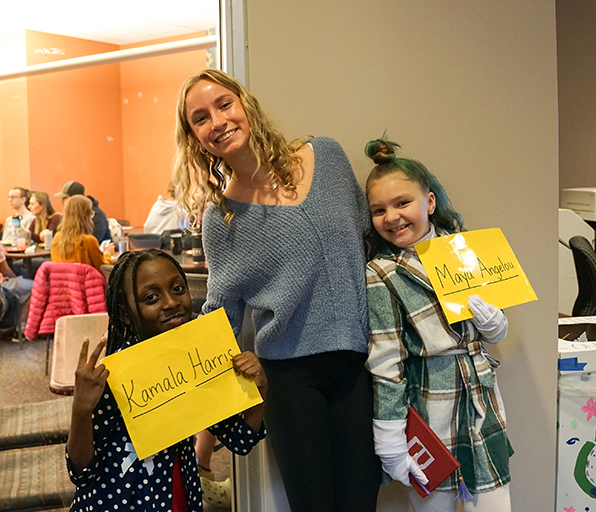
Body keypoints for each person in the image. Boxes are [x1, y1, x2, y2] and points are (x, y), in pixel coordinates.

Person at [174, 68, 381, 512]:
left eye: (223, 104)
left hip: (361, 364)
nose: (217, 121)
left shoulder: (326, 156)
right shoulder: (222, 218)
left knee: (362, 502)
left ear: (245, 104)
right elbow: (219, 315)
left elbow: (373, 239)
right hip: (288, 378)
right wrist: (158, 367)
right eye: (200, 118)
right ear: (195, 138)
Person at [363, 138, 513, 512]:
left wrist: (494, 324)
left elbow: (493, 330)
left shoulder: (462, 250)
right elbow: (385, 364)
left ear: (428, 202)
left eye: (402, 203)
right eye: (379, 210)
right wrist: (391, 442)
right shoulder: (381, 274)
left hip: (480, 400)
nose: (392, 217)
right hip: (429, 409)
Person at [67, 248, 267, 511]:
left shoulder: (197, 359)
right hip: (119, 501)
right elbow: (82, 473)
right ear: (126, 313)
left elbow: (241, 440)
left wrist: (259, 387)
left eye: (177, 289)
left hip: (177, 493)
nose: (171, 303)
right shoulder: (113, 376)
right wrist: (81, 410)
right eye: (151, 297)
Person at [51, 195, 114, 272]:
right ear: (86, 216)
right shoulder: (89, 240)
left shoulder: (57, 238)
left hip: (61, 283)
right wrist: (108, 254)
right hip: (85, 283)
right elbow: (102, 267)